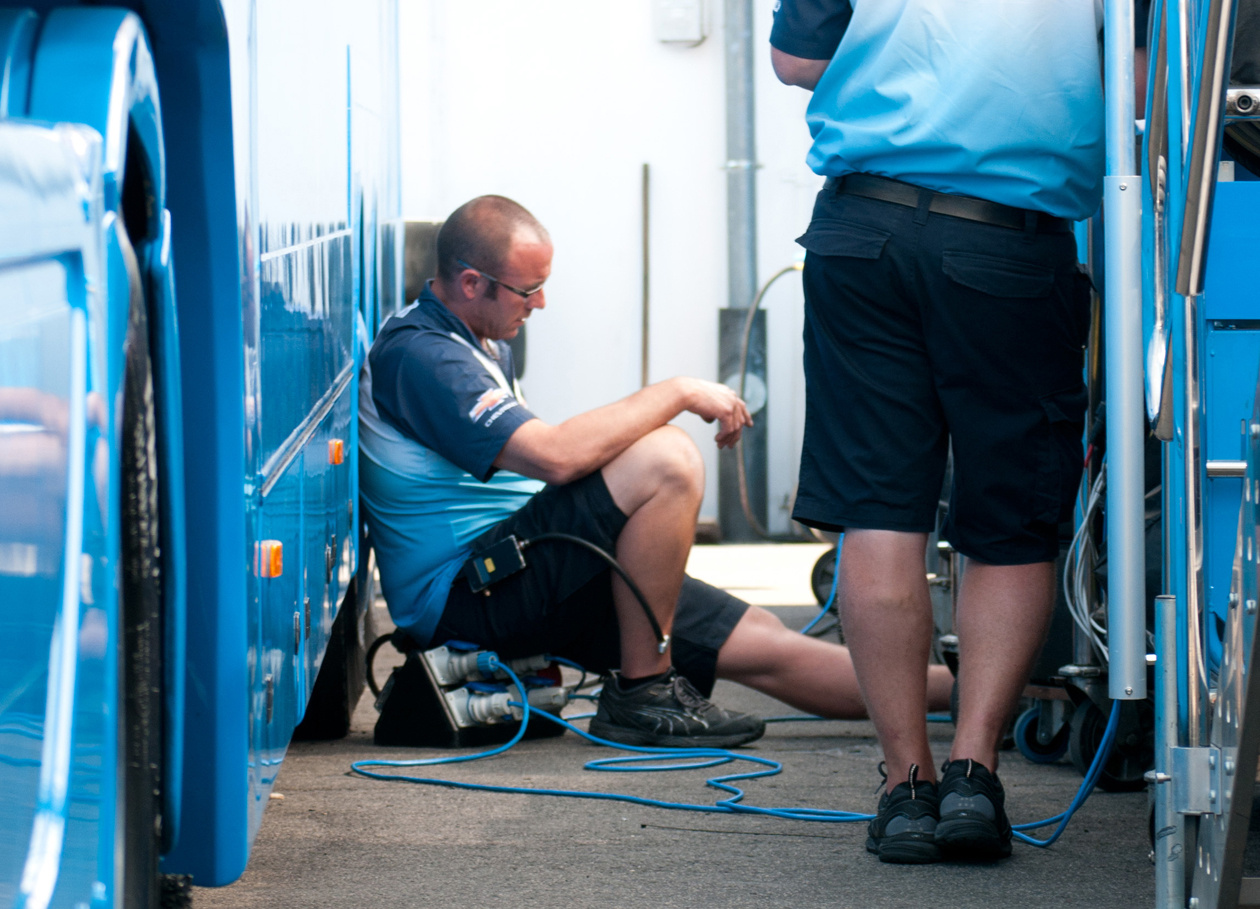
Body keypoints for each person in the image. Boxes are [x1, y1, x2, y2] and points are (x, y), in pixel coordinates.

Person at [359, 194, 952, 750]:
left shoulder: (479, 335)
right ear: (470, 283)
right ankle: (643, 692)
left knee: (765, 643)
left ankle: (970, 697)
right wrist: (677, 392)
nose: (540, 304)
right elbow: (556, 456)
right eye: (529, 290)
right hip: (463, 594)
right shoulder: (423, 356)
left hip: (522, 570)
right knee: (666, 459)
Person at [771, 1, 1105, 864]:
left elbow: (795, 62)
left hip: (861, 230)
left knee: (879, 511)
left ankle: (905, 785)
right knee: (1008, 524)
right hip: (1005, 238)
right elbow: (1149, 83)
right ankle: (972, 775)